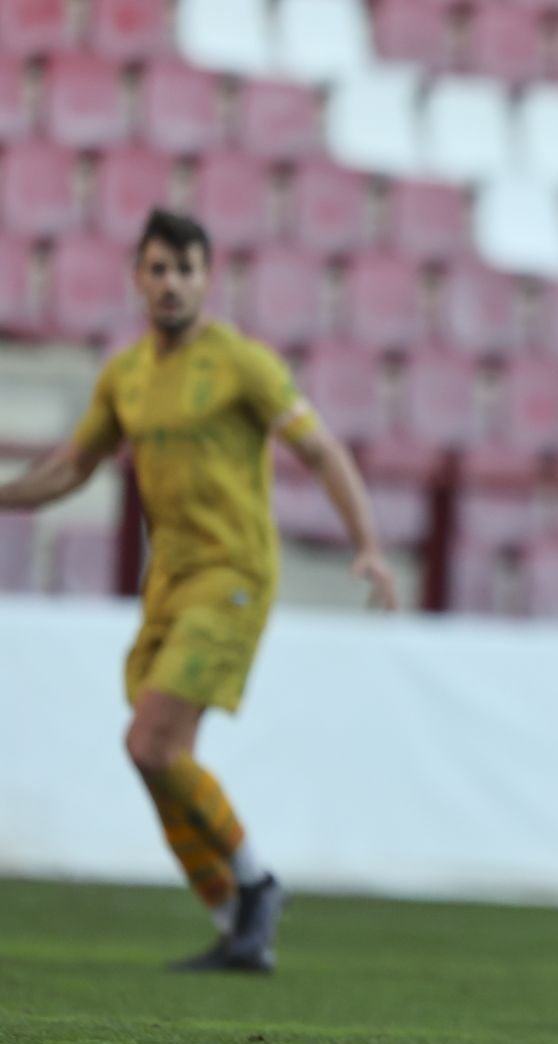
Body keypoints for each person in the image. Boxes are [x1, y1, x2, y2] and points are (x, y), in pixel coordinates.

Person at [0, 209, 398, 973]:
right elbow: (68, 468)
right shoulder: (125, 375)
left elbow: (321, 450)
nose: (171, 283)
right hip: (170, 583)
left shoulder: (242, 364)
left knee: (150, 741)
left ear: (207, 279)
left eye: (185, 269)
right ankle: (235, 922)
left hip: (235, 576)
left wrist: (370, 546)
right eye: (158, 268)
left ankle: (257, 885)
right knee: (153, 753)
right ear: (138, 278)